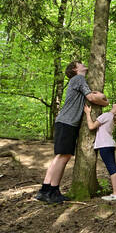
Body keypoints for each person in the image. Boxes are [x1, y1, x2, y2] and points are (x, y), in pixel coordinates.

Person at [35, 61, 109, 203]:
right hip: (67, 122)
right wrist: (106, 102)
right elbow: (92, 98)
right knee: (63, 157)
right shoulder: (79, 79)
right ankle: (53, 191)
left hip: (65, 122)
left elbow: (90, 95)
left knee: (60, 156)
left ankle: (45, 190)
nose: (83, 64)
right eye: (80, 64)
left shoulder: (77, 81)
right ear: (75, 69)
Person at [84, 103, 116, 201]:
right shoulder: (111, 117)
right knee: (114, 169)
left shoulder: (107, 115)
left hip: (105, 145)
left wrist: (87, 113)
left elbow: (91, 126)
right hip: (109, 145)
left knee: (112, 169)